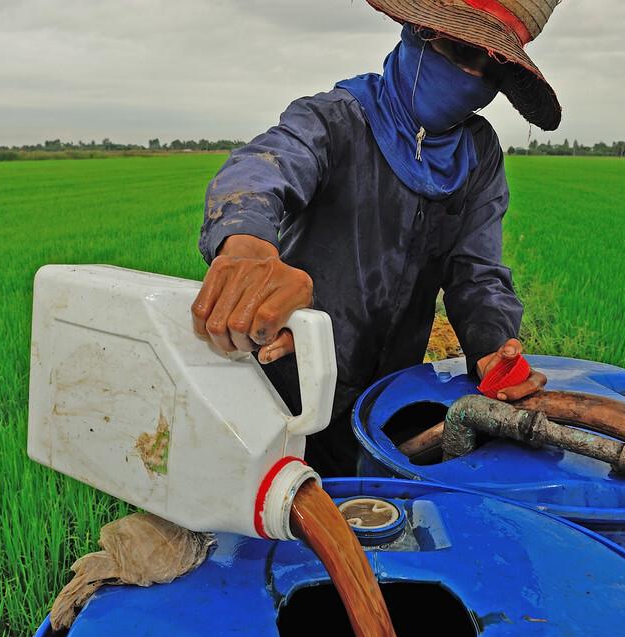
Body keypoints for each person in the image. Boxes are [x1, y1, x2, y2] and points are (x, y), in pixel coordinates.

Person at [191, 0, 564, 476]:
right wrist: (247, 249)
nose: (471, 74)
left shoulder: (478, 152)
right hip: (288, 386)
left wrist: (492, 347)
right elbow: (262, 169)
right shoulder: (334, 121)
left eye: (489, 68)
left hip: (389, 396)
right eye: (459, 49)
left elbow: (477, 270)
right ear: (416, 32)